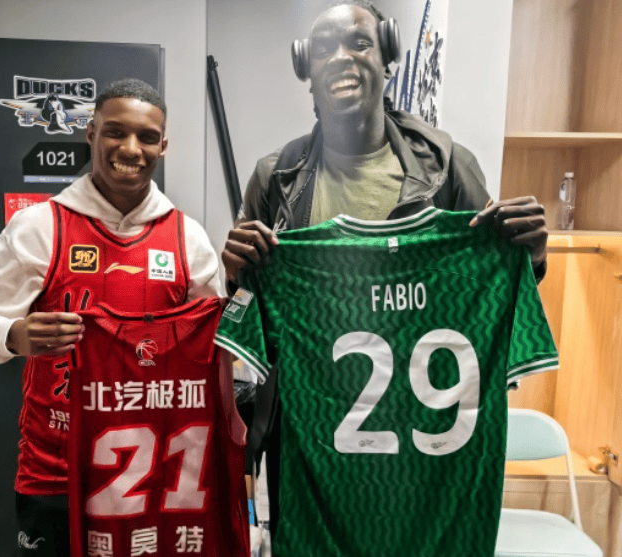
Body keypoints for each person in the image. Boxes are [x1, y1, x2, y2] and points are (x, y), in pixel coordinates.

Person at [220, 0, 549, 543]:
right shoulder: (276, 177)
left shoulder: (447, 165)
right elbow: (249, 309)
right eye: (323, 50)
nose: (341, 59)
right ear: (305, 69)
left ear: (388, 57)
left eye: (359, 44)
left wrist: (529, 257)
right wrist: (236, 276)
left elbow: (489, 294)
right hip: (312, 433)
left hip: (424, 429)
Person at [0, 78, 224, 557]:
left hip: (156, 469)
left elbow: (217, 346)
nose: (131, 149)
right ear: (91, 133)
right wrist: (13, 335)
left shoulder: (188, 237)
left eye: (147, 137)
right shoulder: (40, 226)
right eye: (115, 131)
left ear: (163, 146)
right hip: (56, 469)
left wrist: (243, 283)